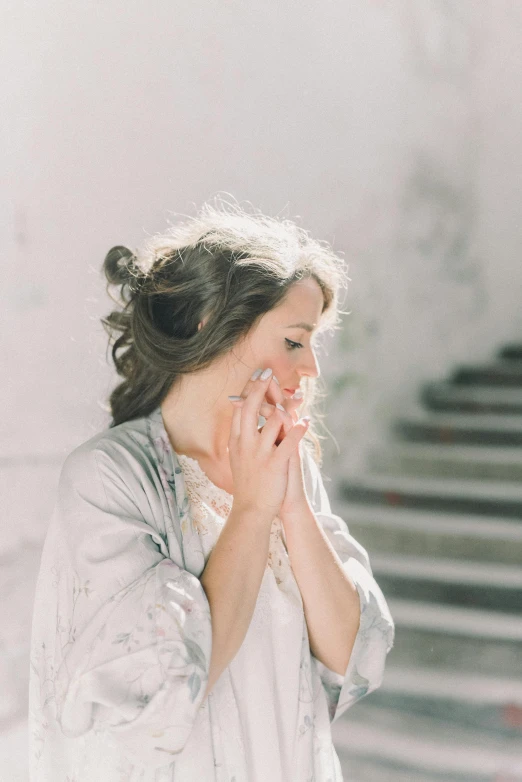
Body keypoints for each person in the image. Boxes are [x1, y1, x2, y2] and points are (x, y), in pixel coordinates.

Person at [28, 199, 395, 781]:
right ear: (211, 327)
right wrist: (252, 508)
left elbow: (352, 656)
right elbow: (166, 684)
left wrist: (293, 507)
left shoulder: (286, 466)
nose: (312, 371)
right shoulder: (109, 476)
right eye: (295, 342)